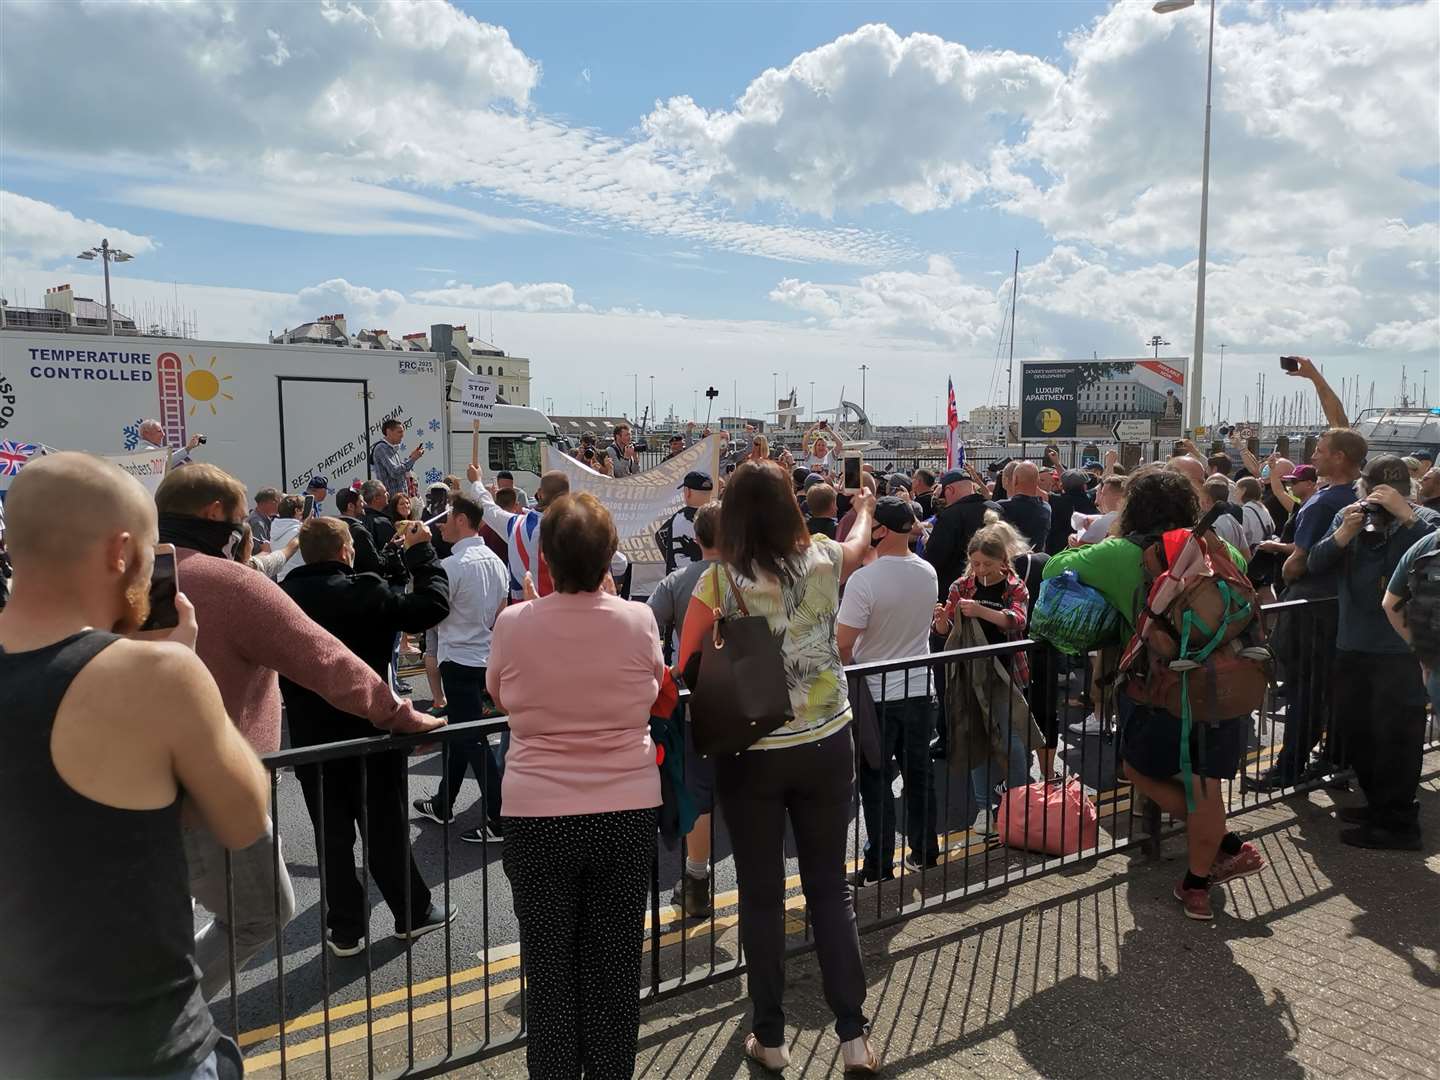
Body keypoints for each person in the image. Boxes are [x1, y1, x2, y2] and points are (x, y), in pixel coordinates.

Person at [0, 452, 267, 1079]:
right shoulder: (156, 674)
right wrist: (183, 664)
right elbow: (242, 812)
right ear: (122, 552)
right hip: (139, 1046)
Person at [153, 464, 442, 996]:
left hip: (128, 793)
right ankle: (158, 1027)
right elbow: (328, 660)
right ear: (216, 516)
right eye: (242, 521)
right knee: (259, 915)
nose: (247, 531)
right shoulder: (235, 584)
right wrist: (403, 714)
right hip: (219, 793)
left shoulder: (123, 575)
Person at [676, 461, 880, 1073]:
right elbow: (858, 545)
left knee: (761, 895)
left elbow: (686, 658)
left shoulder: (719, 581)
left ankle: (770, 1036)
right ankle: (853, 1036)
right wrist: (864, 503)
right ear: (791, 508)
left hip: (752, 750)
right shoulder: (821, 557)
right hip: (827, 740)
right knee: (828, 888)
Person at [488, 493, 663, 1079]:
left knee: (550, 967)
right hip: (625, 809)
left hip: (537, 813)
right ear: (609, 558)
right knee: (614, 966)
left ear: (545, 559)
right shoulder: (638, 619)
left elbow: (499, 694)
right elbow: (654, 686)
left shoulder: (515, 624)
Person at [1042, 469, 1265, 921]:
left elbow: (1050, 569)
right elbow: (1242, 581)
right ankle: (1211, 858)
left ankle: (1207, 869)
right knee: (1207, 785)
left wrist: (1080, 550)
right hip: (1222, 682)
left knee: (1137, 769)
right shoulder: (1213, 548)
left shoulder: (1121, 553)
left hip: (1158, 685)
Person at [280, 517, 457, 954]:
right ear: (346, 551)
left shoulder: (282, 599)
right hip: (371, 730)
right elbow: (431, 606)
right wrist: (422, 552)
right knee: (385, 827)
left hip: (311, 739)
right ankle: (412, 913)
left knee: (332, 837)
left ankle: (345, 929)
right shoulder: (365, 590)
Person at [1307, 456, 1438, 850]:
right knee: (1358, 731)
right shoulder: (1350, 516)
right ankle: (1379, 806)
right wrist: (1342, 534)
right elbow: (1315, 562)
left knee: (1398, 737)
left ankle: (1398, 822)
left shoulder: (1425, 521)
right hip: (1353, 643)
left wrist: (1408, 519)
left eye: (1393, 493)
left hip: (1403, 651)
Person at [837, 496, 940, 886]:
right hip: (919, 687)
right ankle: (925, 851)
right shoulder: (927, 571)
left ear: (879, 530)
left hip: (875, 695)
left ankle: (879, 865)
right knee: (920, 776)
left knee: (876, 783)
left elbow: (844, 643)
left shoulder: (866, 580)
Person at [413, 495, 513, 842]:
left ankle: (501, 818)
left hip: (458, 660)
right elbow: (501, 612)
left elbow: (432, 612)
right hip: (484, 658)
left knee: (471, 739)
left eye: (446, 517)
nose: (440, 524)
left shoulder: (452, 566)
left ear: (460, 519)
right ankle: (443, 803)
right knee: (463, 734)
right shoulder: (497, 563)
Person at [932, 519, 1038, 833]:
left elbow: (1017, 621)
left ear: (1003, 561)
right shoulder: (960, 586)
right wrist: (940, 623)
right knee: (975, 738)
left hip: (1006, 672)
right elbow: (946, 631)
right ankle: (984, 808)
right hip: (970, 672)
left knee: (1011, 741)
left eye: (987, 564)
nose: (980, 570)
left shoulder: (1014, 585)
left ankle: (1018, 802)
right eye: (975, 563)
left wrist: (980, 610)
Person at [648, 501, 723, 917]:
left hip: (693, 697)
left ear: (696, 538)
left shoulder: (678, 580)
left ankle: (696, 882)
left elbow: (646, 627)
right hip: (751, 698)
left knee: (699, 794)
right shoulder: (753, 576)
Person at [464, 461, 570, 601]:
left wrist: (477, 481)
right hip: (571, 612)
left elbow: (489, 508)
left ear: (540, 494)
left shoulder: (516, 526)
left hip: (524, 614)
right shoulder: (581, 529)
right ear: (568, 495)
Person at [923, 468, 1001, 600]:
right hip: (995, 589)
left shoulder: (950, 516)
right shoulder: (996, 509)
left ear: (950, 490)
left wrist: (928, 543)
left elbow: (934, 558)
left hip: (958, 592)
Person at [335, 486, 402, 579]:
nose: (365, 504)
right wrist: (392, 547)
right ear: (350, 506)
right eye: (361, 501)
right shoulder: (359, 532)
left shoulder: (337, 529)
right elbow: (376, 566)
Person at [655, 470, 714, 574]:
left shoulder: (677, 518)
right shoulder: (721, 517)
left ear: (688, 492)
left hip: (679, 584)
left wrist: (670, 560)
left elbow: (659, 536)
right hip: (712, 583)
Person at [999, 461, 1052, 552]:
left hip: (1010, 562)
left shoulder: (1001, 507)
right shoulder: (1045, 508)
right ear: (1037, 481)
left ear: (1015, 480)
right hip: (1036, 561)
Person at [1044, 469, 1098, 555]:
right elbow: (1106, 482)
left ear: (1062, 486)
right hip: (1087, 553)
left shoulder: (1054, 500)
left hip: (1058, 554)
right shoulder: (1092, 498)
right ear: (1084, 486)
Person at [369, 417, 424, 497]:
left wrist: (411, 457)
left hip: (398, 498)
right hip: (391, 499)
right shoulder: (381, 448)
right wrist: (413, 459)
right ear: (388, 432)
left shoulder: (391, 448)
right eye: (399, 432)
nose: (402, 435)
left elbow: (399, 469)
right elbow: (394, 472)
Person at [1201, 476, 1251, 560]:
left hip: (1221, 571)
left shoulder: (1211, 526)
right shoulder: (1232, 520)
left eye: (1200, 498)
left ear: (1206, 500)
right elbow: (1247, 556)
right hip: (1236, 571)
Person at [269, 492, 308, 580]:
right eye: (303, 509)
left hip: (282, 582)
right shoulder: (301, 531)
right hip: (300, 580)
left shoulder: (274, 530)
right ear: (297, 511)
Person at [138, 418, 203, 468]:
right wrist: (189, 447)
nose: (163, 434)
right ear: (146, 433)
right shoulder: (147, 450)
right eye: (159, 431)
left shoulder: (141, 449)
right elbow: (166, 463)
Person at [361, 480, 397, 551]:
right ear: (376, 498)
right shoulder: (382, 522)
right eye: (384, 492)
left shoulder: (360, 519)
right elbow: (391, 552)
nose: (388, 494)